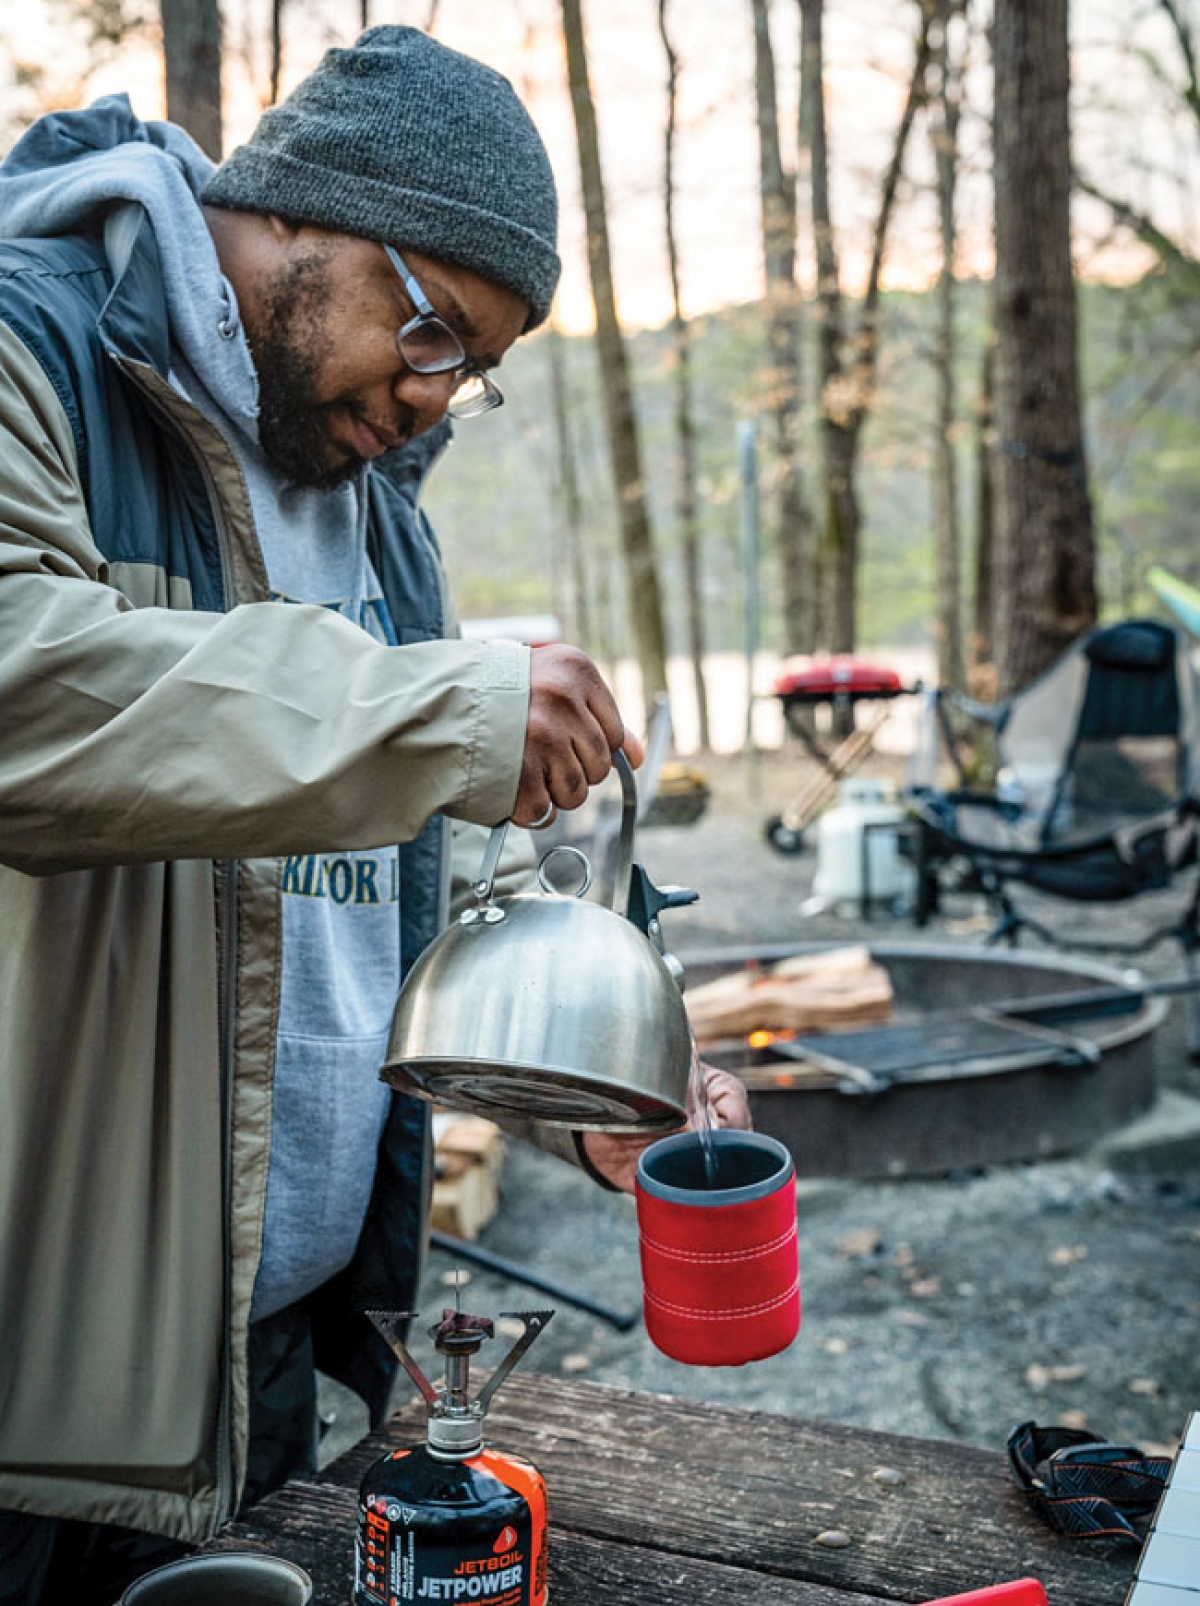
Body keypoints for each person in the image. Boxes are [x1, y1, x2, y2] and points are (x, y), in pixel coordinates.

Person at [0, 25, 750, 1604]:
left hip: (276, 1365)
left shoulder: (378, 526)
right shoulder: (37, 347)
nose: (434, 397)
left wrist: (600, 1074)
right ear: (295, 213)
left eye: (471, 368)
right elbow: (28, 694)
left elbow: (394, 904)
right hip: (45, 1374)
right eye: (428, 332)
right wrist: (455, 703)